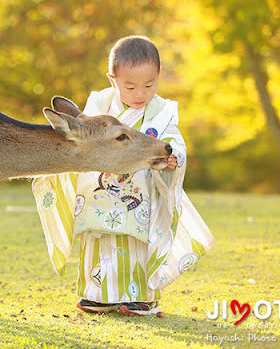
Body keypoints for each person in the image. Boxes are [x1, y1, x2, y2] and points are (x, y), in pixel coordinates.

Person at [32, 35, 214, 316]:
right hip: (100, 191)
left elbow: (173, 141)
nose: (140, 93)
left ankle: (141, 297)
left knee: (137, 241)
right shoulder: (99, 107)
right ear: (112, 79)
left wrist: (173, 157)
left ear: (158, 76)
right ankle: (96, 294)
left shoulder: (161, 113)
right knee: (99, 239)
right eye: (130, 86)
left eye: (149, 84)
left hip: (140, 192)